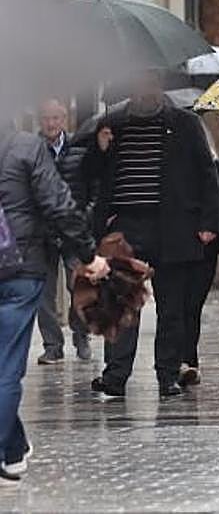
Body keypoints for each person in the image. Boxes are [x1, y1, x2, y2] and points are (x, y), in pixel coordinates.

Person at [83, 70, 219, 400]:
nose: (148, 90)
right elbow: (89, 174)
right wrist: (99, 148)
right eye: (141, 84)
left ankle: (168, 374)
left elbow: (207, 173)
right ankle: (115, 376)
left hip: (173, 225)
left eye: (153, 83)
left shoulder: (184, 123)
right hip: (126, 226)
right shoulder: (112, 124)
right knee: (121, 303)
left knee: (172, 306)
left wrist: (208, 223)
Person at [1, 120, 109, 485]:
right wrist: (88, 253)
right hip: (19, 266)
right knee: (6, 367)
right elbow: (57, 203)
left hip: (22, 266)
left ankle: (12, 451)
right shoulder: (25, 147)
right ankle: (8, 450)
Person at [33, 98, 93, 364]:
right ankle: (52, 345)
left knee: (79, 287)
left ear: (64, 120)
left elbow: (93, 189)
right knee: (43, 293)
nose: (50, 123)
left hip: (73, 231)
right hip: (41, 232)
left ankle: (81, 335)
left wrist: (84, 217)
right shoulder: (31, 152)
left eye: (55, 118)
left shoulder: (80, 151)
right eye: (46, 118)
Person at [178, 136, 219, 386]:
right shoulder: (168, 168)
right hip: (172, 249)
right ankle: (174, 362)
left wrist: (216, 236)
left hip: (204, 252)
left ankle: (188, 361)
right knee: (173, 308)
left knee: (191, 307)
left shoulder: (215, 168)